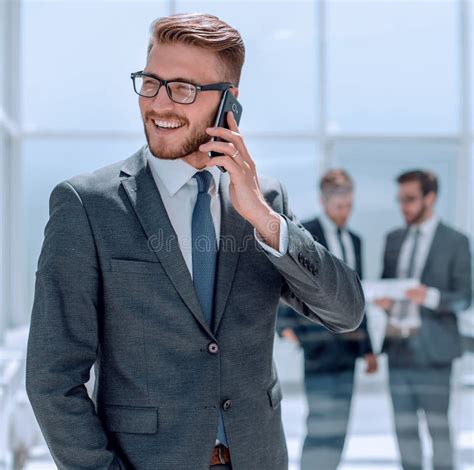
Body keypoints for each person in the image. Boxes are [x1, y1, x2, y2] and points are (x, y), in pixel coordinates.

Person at [25, 13, 365, 470]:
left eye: (184, 89)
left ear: (229, 101)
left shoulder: (265, 201)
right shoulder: (86, 206)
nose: (160, 104)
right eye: (151, 83)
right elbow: (53, 377)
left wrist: (264, 219)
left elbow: (345, 312)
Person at [278, 169, 377, 470]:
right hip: (318, 347)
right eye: (339, 207)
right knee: (320, 422)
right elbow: (285, 281)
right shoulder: (305, 231)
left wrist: (369, 347)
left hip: (349, 349)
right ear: (324, 201)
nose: (345, 213)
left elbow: (357, 297)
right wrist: (284, 327)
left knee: (340, 425)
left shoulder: (355, 240)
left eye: (349, 206)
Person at [375, 170, 471, 470]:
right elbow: (385, 283)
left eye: (411, 199)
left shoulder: (455, 241)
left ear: (431, 198)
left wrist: (429, 296)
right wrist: (385, 302)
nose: (404, 206)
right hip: (398, 347)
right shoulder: (393, 238)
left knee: (438, 429)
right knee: (404, 430)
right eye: (401, 199)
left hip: (435, 352)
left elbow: (465, 297)